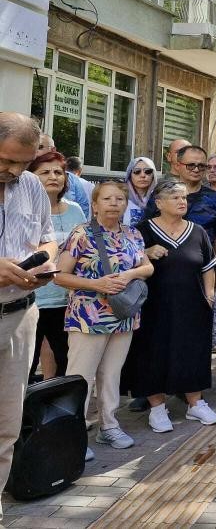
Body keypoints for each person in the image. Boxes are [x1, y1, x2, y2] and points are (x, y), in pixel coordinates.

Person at [56, 181, 154, 450]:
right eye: (108, 199)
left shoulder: (133, 234)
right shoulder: (82, 234)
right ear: (95, 205)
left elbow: (147, 267)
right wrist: (97, 284)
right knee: (80, 377)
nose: (114, 203)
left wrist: (129, 274)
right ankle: (71, 434)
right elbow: (60, 276)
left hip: (123, 315)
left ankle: (109, 425)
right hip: (88, 316)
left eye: (120, 199)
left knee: (111, 375)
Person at [121, 179, 216, 431]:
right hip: (153, 305)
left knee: (193, 352)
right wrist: (146, 252)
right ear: (159, 203)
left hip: (193, 304)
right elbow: (124, 263)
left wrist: (209, 294)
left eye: (184, 198)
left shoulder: (197, 231)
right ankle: (157, 407)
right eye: (175, 197)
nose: (181, 202)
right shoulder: (141, 231)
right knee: (152, 353)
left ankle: (195, 404)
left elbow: (209, 265)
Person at [0, 114, 58, 521]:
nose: (13, 171)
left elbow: (48, 238)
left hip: (20, 317)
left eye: (22, 162)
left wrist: (43, 264)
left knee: (6, 426)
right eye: (6, 160)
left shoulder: (32, 185)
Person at [29, 151, 86, 380]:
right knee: (26, 367)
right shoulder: (22, 211)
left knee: (66, 363)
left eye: (58, 172)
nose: (53, 176)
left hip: (66, 300)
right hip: (31, 299)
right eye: (45, 172)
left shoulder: (75, 210)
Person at [144, 145, 216, 287]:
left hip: (201, 271)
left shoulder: (214, 198)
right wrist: (146, 252)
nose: (196, 169)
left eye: (201, 166)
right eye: (191, 165)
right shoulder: (162, 194)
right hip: (162, 270)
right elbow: (144, 229)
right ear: (178, 165)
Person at [123, 157, 158, 226]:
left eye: (148, 171)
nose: (142, 175)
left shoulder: (160, 198)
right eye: (137, 171)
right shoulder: (121, 197)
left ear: (153, 175)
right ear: (130, 175)